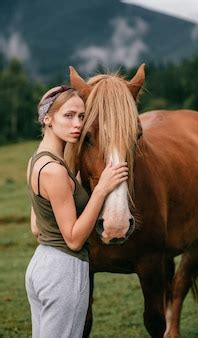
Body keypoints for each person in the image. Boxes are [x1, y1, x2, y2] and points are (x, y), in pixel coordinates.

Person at [25, 85, 128, 338]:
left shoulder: (37, 160)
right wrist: (101, 189)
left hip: (41, 264)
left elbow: (36, 226)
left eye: (82, 117)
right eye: (68, 116)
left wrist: (73, 186)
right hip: (63, 271)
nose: (77, 124)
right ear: (47, 119)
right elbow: (73, 239)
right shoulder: (55, 171)